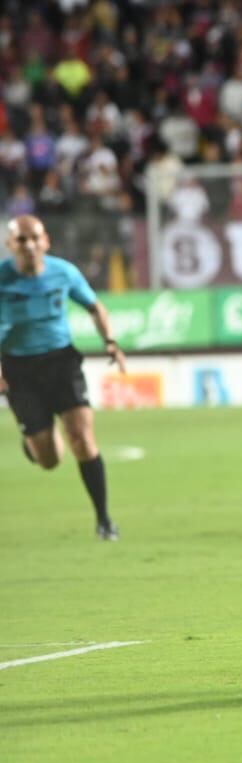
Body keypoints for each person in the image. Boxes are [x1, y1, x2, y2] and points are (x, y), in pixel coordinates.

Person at [0, 214, 125, 540]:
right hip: (19, 369)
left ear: (46, 241)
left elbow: (95, 307)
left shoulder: (63, 272)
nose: (29, 245)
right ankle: (34, 443)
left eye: (34, 238)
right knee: (50, 460)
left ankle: (104, 520)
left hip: (61, 363)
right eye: (21, 240)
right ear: (9, 245)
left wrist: (110, 341)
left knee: (82, 439)